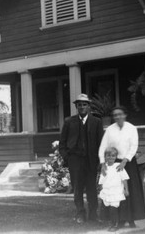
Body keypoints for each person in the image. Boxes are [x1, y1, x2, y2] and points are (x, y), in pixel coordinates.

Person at [59, 93, 104, 224]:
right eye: (79, 105)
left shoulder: (96, 122)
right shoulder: (69, 122)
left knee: (91, 189)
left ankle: (93, 214)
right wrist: (67, 157)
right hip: (75, 161)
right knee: (77, 188)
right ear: (76, 106)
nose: (82, 106)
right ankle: (80, 213)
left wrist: (100, 161)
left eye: (84, 104)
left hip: (91, 160)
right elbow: (62, 143)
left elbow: (101, 143)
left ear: (89, 106)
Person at [99, 106, 145, 228]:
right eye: (115, 115)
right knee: (117, 191)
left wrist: (125, 160)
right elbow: (103, 146)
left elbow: (134, 145)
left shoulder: (131, 128)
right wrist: (103, 163)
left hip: (128, 162)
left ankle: (131, 219)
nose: (117, 117)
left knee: (130, 191)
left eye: (120, 114)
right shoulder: (109, 130)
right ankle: (119, 220)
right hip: (114, 164)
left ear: (125, 115)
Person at [98, 147, 130, 232]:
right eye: (108, 156)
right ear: (105, 157)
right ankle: (111, 222)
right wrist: (101, 191)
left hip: (116, 191)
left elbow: (124, 179)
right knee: (107, 206)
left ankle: (115, 224)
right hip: (107, 191)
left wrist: (126, 190)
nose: (111, 158)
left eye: (113, 156)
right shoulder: (104, 168)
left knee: (114, 207)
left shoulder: (119, 166)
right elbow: (101, 181)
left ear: (116, 157)